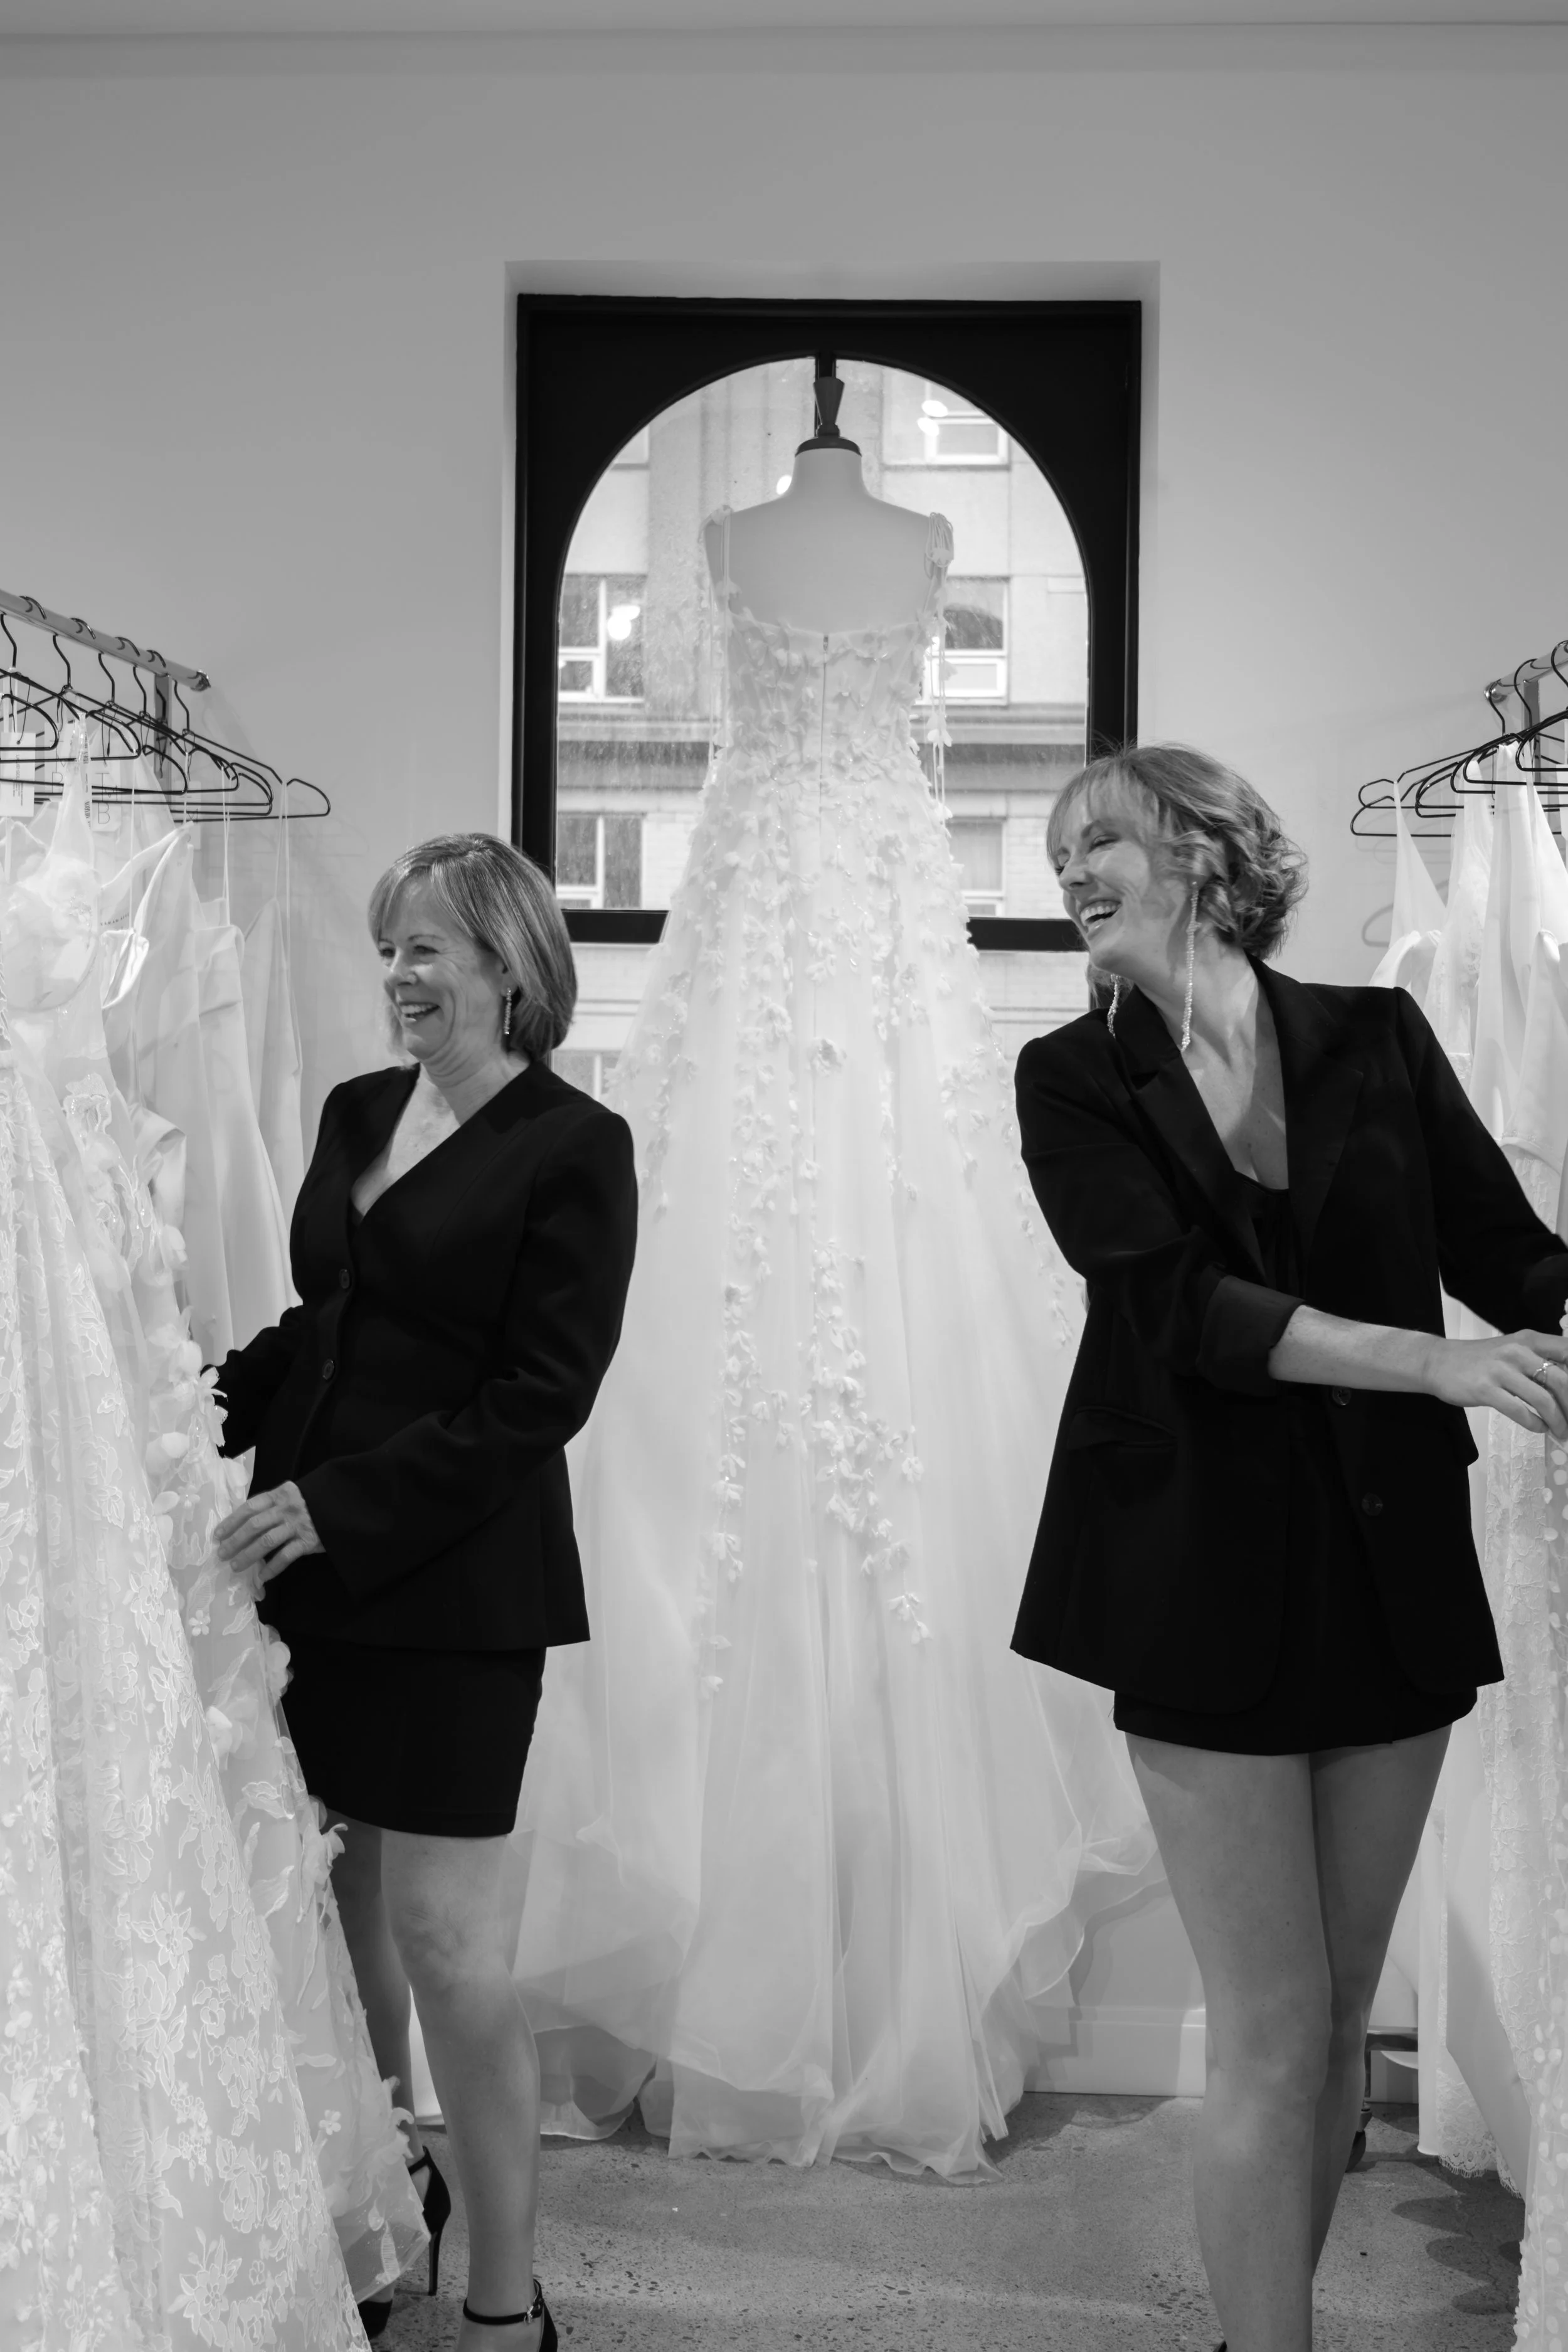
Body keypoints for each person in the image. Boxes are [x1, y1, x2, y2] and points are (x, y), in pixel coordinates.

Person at [1010, 745, 1568, 2352]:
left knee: (1330, 2021)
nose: (1071, 874)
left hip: (1383, 1571)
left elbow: (1503, 1252)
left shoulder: (1373, 1037)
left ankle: (1266, 2329)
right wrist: (1436, 1360)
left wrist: (1543, 1311)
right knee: (1264, 2027)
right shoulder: (1069, 1077)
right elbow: (1182, 1311)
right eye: (1058, 859)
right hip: (1189, 1574)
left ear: (1200, 849)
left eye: (1098, 840)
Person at [213, 832, 637, 2352]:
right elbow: (323, 1322)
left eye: (429, 950)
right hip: (308, 1580)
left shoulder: (575, 1147)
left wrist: (341, 1505)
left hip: (457, 1588)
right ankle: (387, 2192)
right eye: (389, 947)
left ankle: (508, 2294)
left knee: (452, 1946)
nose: (398, 975)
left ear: (512, 969)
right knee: (340, 1920)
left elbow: (542, 1397)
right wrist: (179, 1405)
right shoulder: (356, 1109)